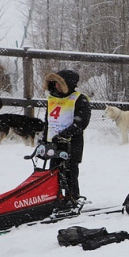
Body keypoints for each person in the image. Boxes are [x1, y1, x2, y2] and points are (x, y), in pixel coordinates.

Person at [42, 69, 91, 207]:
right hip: (53, 143)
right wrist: (44, 139)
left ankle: (72, 198)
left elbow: (81, 122)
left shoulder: (79, 99)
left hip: (71, 143)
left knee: (70, 172)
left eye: (59, 83)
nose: (56, 86)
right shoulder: (52, 98)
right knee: (53, 173)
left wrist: (64, 135)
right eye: (55, 83)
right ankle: (54, 197)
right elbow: (48, 120)